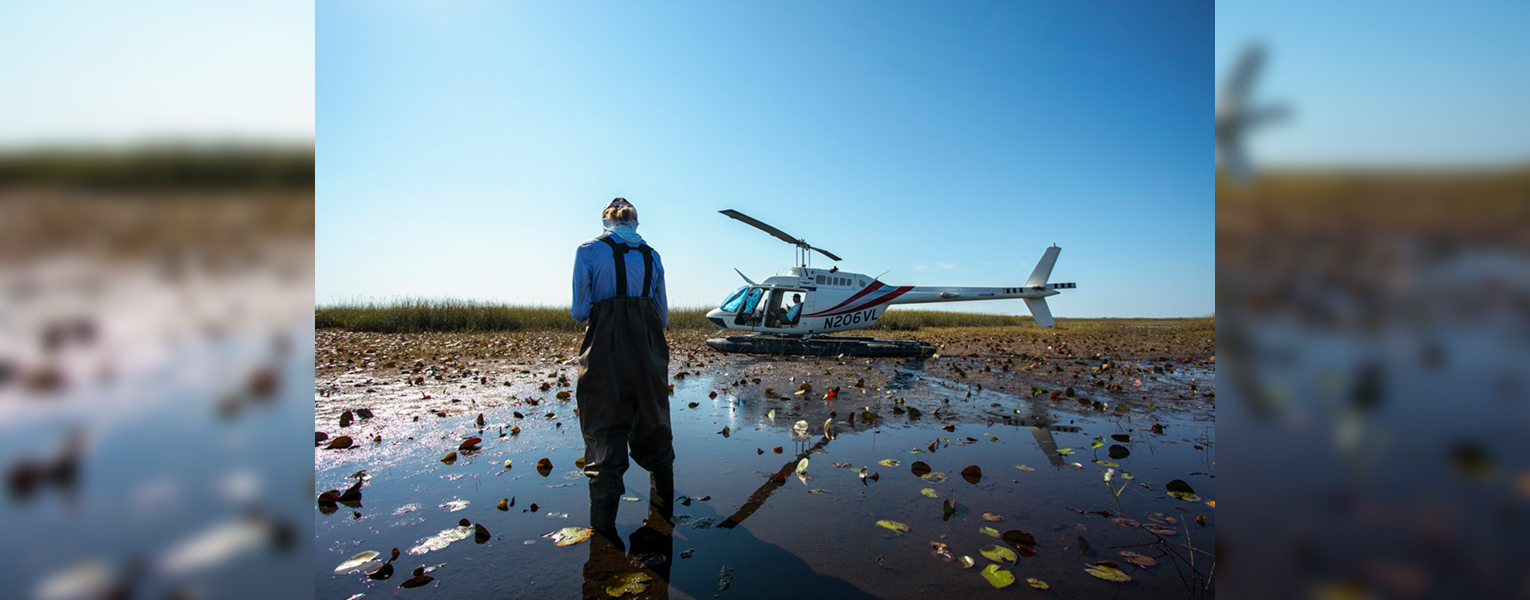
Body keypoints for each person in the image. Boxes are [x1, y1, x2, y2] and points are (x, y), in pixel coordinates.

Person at [570, 197, 674, 547]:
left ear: (605, 221)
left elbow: (580, 311)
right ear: (635, 223)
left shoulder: (587, 251)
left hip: (606, 346)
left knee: (603, 426)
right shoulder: (653, 255)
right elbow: (662, 317)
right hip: (648, 345)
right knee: (655, 420)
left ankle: (603, 535)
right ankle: (664, 515)